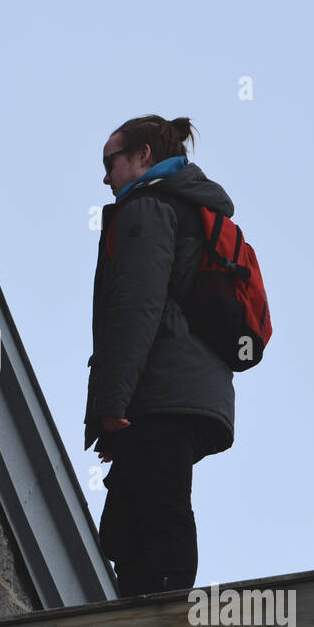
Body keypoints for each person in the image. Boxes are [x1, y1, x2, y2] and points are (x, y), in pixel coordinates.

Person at [85, 115, 237, 597]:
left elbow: (136, 308)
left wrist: (112, 403)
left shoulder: (147, 210)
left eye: (110, 161)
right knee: (131, 517)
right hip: (187, 388)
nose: (105, 176)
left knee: (157, 513)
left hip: (161, 390)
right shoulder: (187, 207)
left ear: (143, 156)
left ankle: (164, 624)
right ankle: (145, 611)